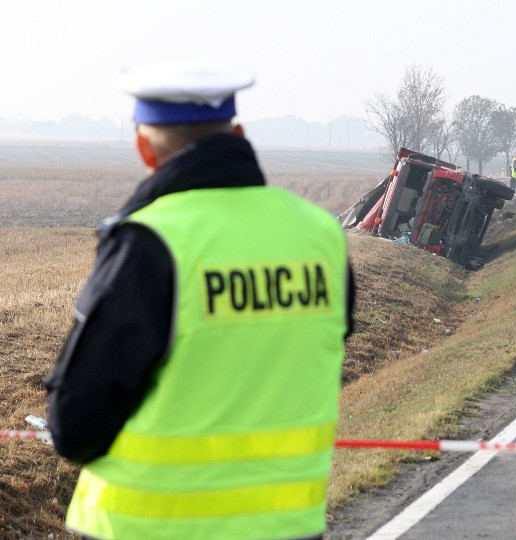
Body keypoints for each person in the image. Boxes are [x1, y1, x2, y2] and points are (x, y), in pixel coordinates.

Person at [44, 59, 354, 540]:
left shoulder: (150, 243)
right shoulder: (321, 236)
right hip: (287, 526)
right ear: (240, 131)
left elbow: (75, 424)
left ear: (145, 149)